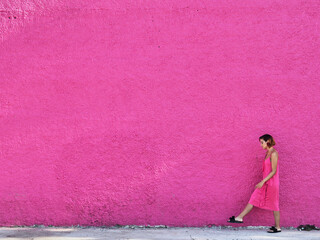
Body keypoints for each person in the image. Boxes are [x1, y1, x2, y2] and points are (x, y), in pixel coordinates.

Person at [227, 134, 281, 233]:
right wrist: (263, 181)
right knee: (254, 197)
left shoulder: (274, 153)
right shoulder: (267, 153)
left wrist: (262, 181)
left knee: (274, 204)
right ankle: (239, 218)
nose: (261, 145)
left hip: (272, 183)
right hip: (265, 182)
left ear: (268, 141)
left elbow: (273, 171)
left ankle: (277, 227)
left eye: (262, 142)